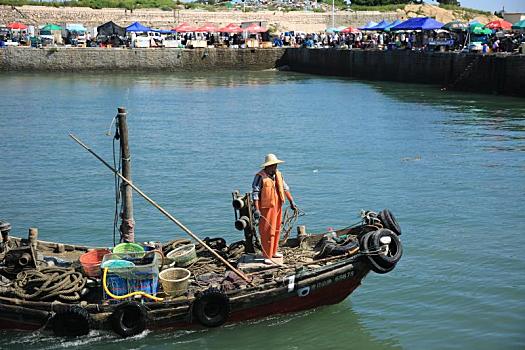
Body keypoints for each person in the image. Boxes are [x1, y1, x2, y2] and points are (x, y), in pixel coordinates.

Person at [252, 154, 297, 263]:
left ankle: (273, 252)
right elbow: (255, 194)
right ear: (267, 166)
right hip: (266, 208)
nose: (275, 167)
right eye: (273, 165)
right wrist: (257, 209)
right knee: (266, 231)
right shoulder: (260, 176)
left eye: (276, 165)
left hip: (277, 206)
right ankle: (267, 256)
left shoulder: (278, 175)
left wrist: (292, 201)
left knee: (276, 229)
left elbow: (285, 189)